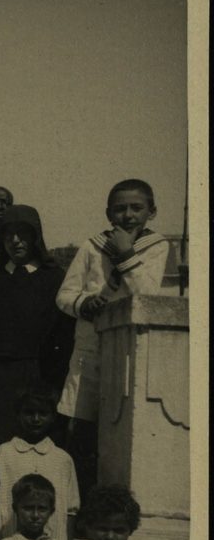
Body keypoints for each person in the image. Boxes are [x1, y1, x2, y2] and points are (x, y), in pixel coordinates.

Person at [56, 180, 169, 498]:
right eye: (120, 209)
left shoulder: (157, 246)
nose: (128, 215)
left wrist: (125, 254)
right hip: (90, 351)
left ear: (151, 212)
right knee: (81, 433)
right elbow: (64, 295)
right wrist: (84, 304)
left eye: (137, 208)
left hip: (130, 353)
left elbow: (148, 294)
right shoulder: (92, 246)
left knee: (122, 433)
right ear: (108, 213)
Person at [0, 205, 75, 453]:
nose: (15, 241)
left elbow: (65, 339)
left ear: (36, 237)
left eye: (23, 233)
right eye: (8, 234)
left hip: (38, 381)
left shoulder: (55, 280)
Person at [0, 384, 79, 540]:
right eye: (29, 412)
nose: (36, 419)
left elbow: (71, 510)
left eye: (43, 413)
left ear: (53, 416)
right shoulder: (5, 453)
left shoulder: (62, 459)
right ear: (18, 414)